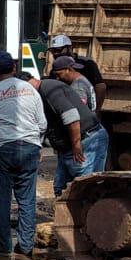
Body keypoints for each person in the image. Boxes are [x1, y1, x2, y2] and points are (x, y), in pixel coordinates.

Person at [0, 52, 46, 256]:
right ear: (14, 68)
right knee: (27, 200)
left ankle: (3, 246)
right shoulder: (30, 90)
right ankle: (26, 246)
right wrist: (37, 145)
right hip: (29, 147)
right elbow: (42, 123)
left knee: (1, 199)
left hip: (2, 149)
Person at [36, 56, 109, 193]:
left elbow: (73, 116)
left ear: (68, 69)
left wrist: (76, 143)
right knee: (78, 184)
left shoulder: (78, 86)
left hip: (84, 138)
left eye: (59, 74)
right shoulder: (84, 81)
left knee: (81, 185)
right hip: (87, 135)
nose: (57, 79)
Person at [47, 34, 105, 110]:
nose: (55, 53)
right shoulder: (55, 68)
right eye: (53, 51)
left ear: (70, 48)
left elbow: (100, 86)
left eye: (59, 50)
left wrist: (97, 110)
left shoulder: (86, 63)